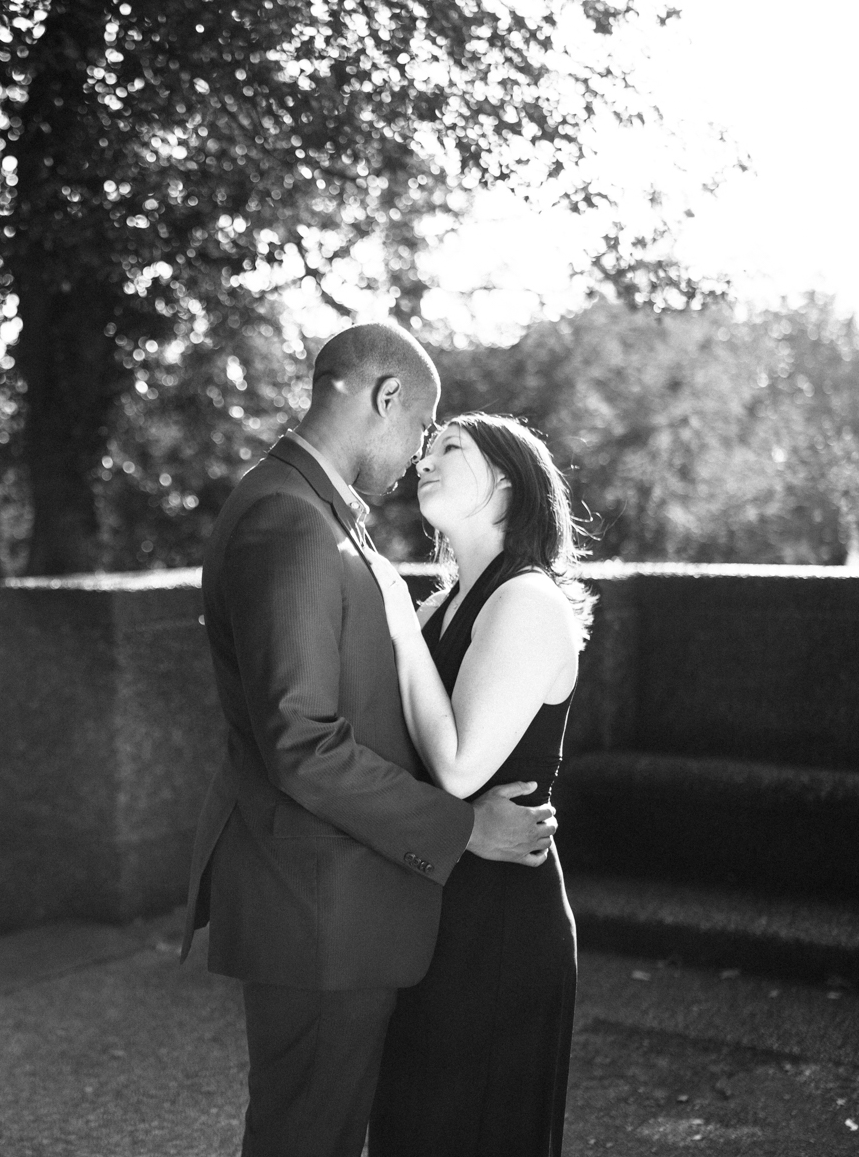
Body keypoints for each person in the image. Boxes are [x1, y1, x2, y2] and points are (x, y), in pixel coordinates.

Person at [180, 326, 558, 1157]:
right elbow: (302, 743)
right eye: (423, 430)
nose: (417, 457)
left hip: (335, 904)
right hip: (318, 911)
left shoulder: (312, 513)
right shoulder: (290, 519)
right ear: (385, 397)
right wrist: (462, 829)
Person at [363, 413, 594, 1157]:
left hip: (500, 922)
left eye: (451, 448)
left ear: (505, 481)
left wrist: (396, 618)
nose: (426, 459)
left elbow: (458, 764)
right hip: (436, 901)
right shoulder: (443, 604)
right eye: (426, 448)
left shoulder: (526, 600)